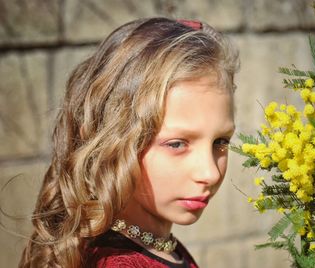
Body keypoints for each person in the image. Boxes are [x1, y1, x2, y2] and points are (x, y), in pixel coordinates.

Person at [18, 17, 239, 267]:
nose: (209, 173)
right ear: (115, 140)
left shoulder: (163, 248)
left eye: (220, 141)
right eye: (177, 144)